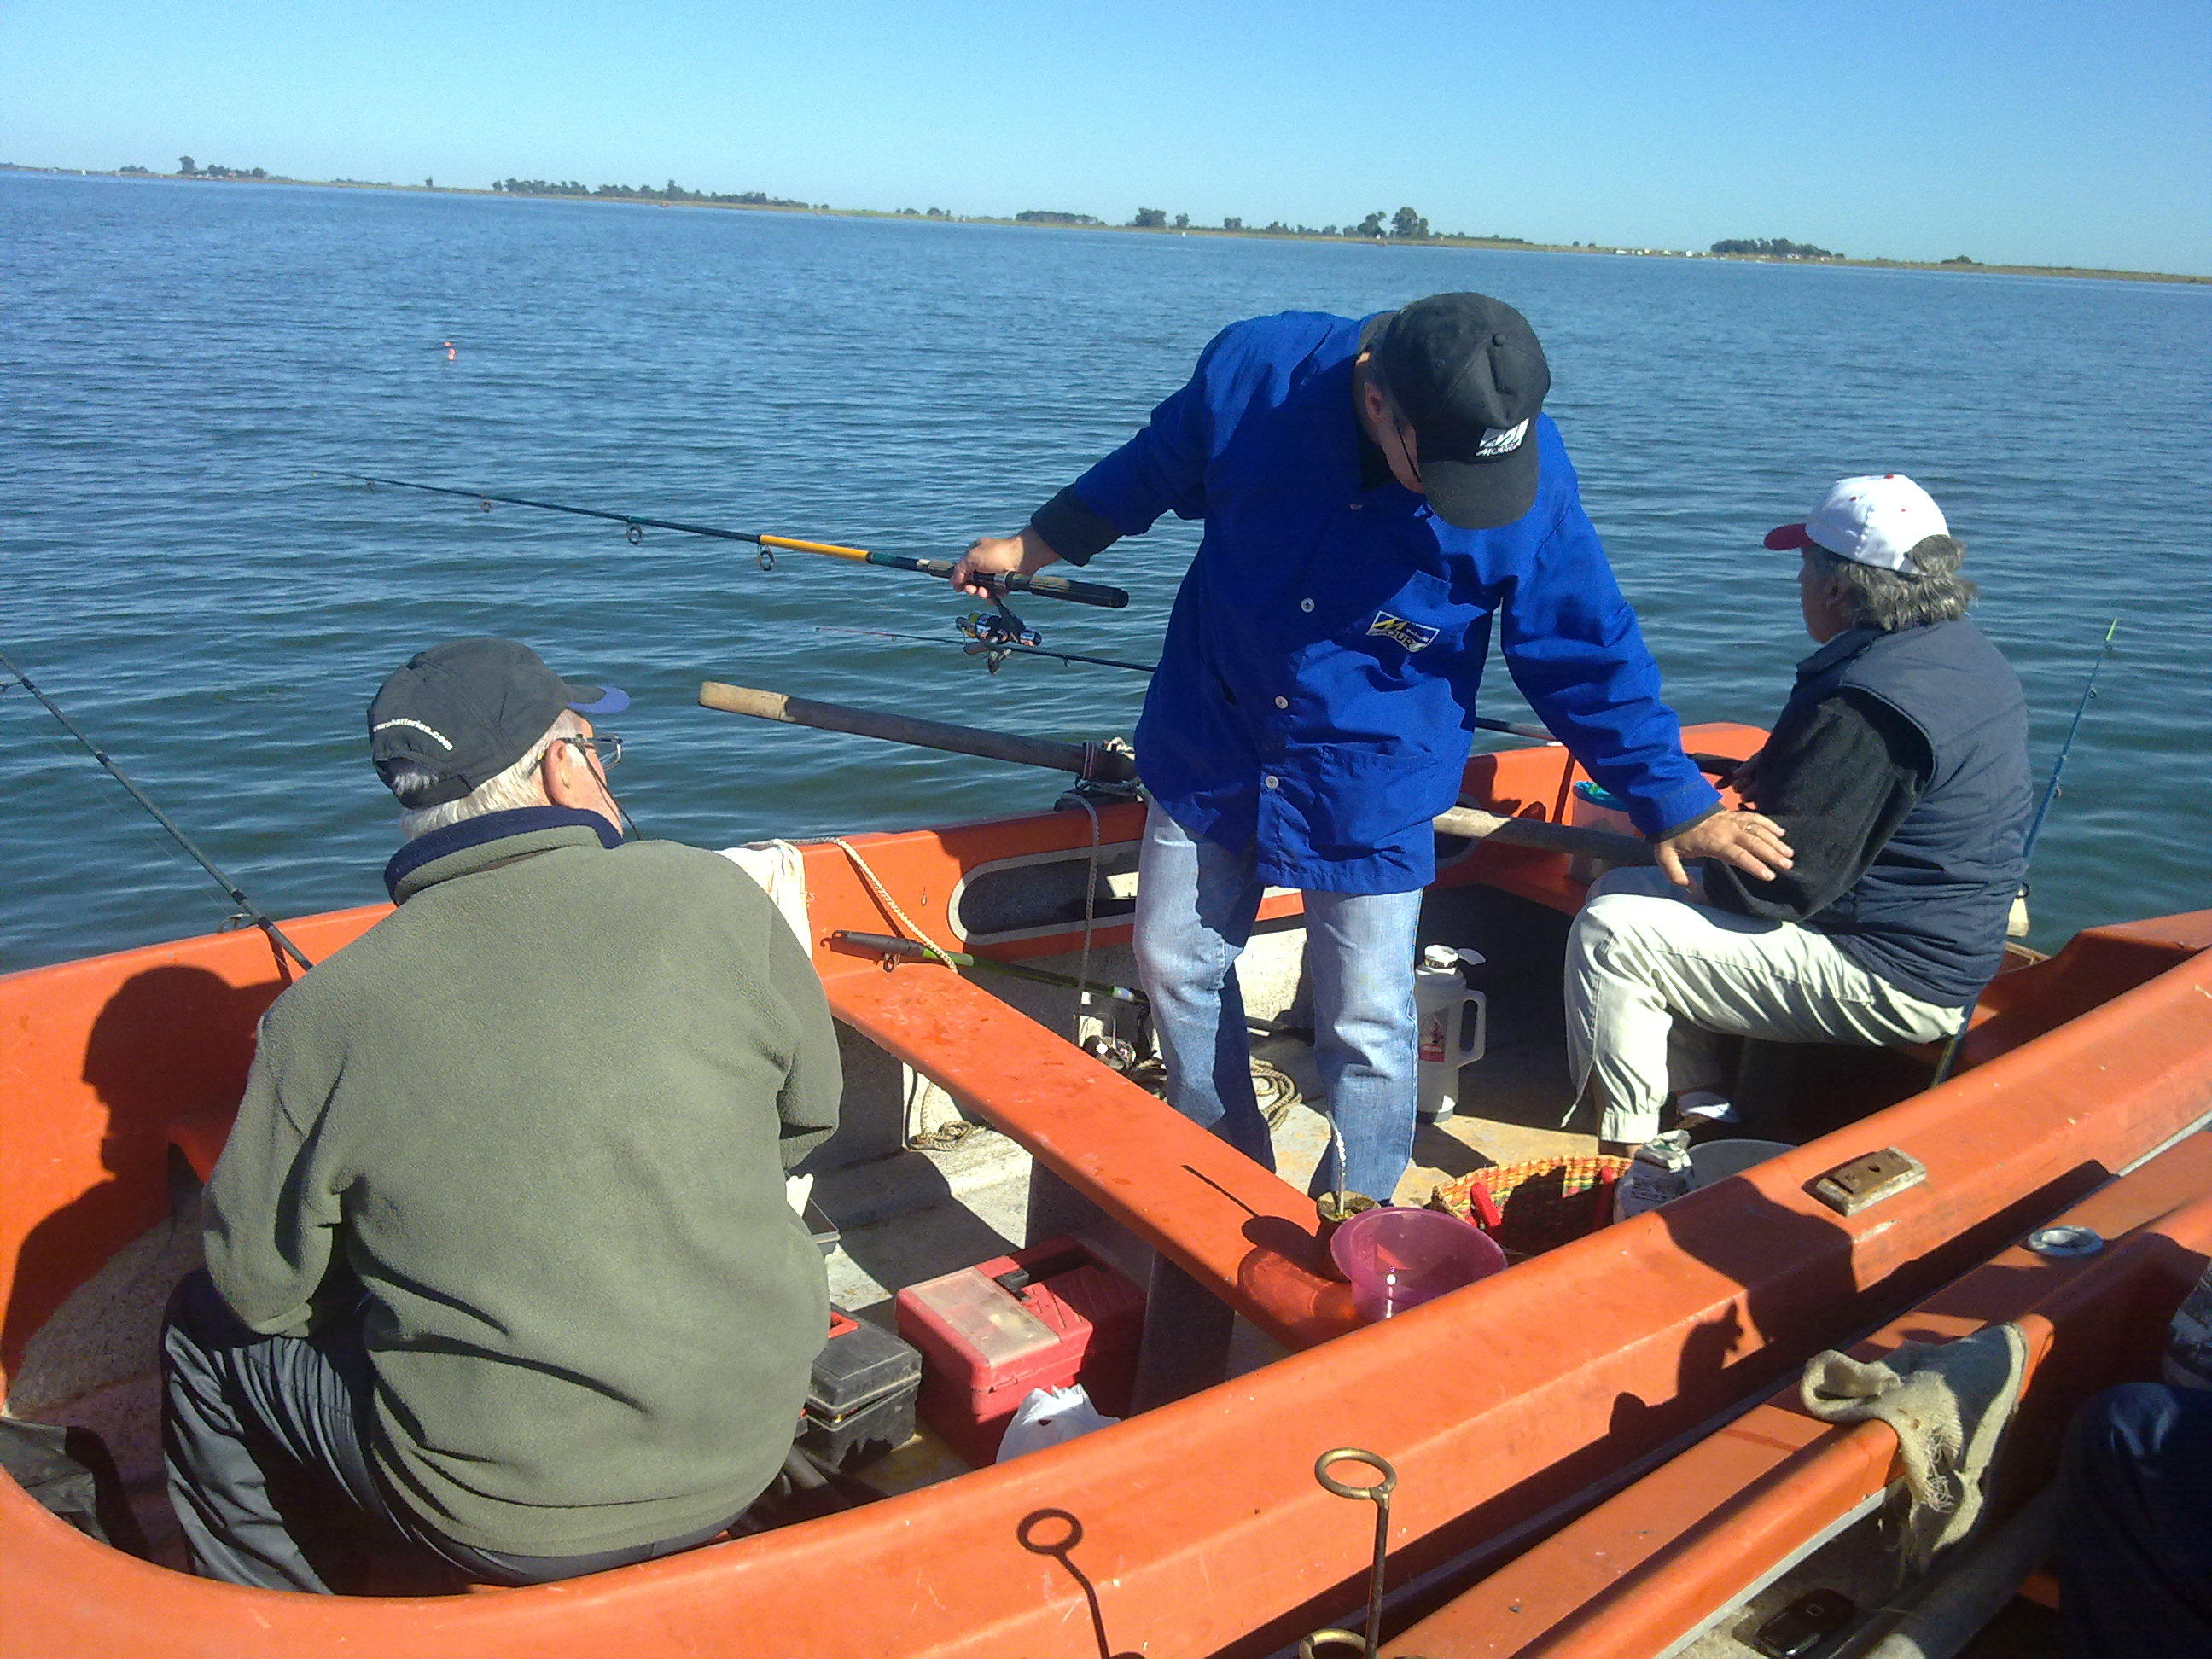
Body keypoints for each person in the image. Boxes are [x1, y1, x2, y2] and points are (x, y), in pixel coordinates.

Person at [952, 294, 1788, 1202]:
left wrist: (1674, 799)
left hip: (1375, 772)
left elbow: (1584, 647)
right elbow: (1153, 466)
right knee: (1174, 964)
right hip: (1214, 730)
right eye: (1441, 473)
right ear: (1379, 400)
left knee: (1369, 1018)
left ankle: (1359, 1206)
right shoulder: (1256, 371)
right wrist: (1034, 546)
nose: (1461, 499)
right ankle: (1221, 1170)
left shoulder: (1533, 482)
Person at [161, 638, 843, 1592]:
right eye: (600, 749)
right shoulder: (713, 894)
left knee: (200, 1331)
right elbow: (807, 1121)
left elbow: (255, 1291)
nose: (604, 768)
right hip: (755, 1441)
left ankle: (281, 1617)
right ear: (565, 767)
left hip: (497, 1520)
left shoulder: (323, 1015)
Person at [1563, 475, 2031, 1151]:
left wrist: (1699, 845)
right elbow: (1869, 790)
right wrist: (1787, 772)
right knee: (1632, 891)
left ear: (1839, 588)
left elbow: (1783, 885)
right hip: (1938, 937)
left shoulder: (1866, 707)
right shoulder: (1955, 656)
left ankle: (1629, 1155)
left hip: (1894, 973)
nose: (1800, 583)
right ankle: (1702, 1102)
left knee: (1616, 930)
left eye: (1806, 566)